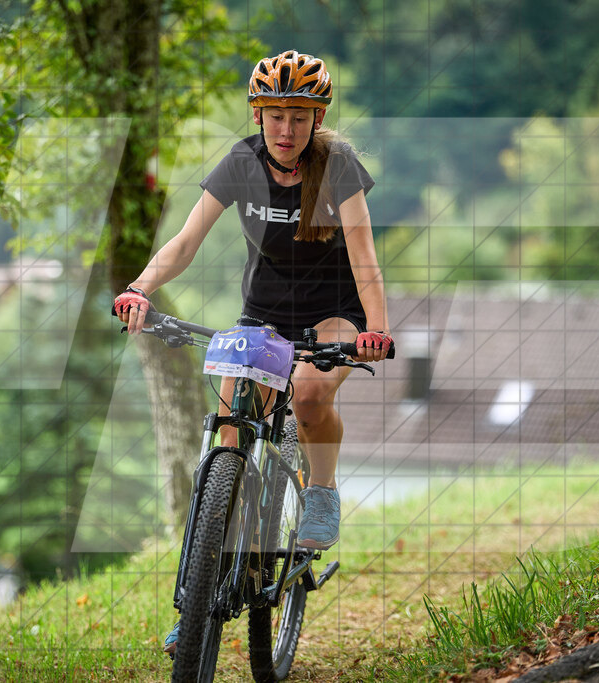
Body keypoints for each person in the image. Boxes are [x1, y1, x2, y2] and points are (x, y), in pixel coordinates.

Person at [112, 50, 392, 656]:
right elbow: (186, 241)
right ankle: (195, 604)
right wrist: (139, 288)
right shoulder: (241, 162)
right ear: (258, 114)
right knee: (229, 438)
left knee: (309, 395)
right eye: (275, 116)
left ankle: (321, 491)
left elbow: (364, 255)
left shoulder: (338, 167)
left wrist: (376, 329)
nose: (286, 129)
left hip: (333, 314)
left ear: (317, 119)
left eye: (299, 117)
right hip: (261, 316)